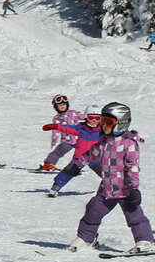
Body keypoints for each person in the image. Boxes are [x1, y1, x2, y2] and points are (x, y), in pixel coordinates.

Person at [66, 102, 155, 253]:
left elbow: (133, 168)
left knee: (135, 217)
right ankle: (87, 239)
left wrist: (134, 189)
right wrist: (77, 165)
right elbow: (91, 154)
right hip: (106, 189)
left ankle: (145, 241)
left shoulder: (129, 144)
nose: (103, 125)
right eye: (102, 121)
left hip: (125, 190)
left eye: (108, 122)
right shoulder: (104, 141)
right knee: (92, 211)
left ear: (120, 124)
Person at [42, 105, 102, 196]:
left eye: (97, 118)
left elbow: (115, 135)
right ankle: (56, 186)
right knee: (68, 171)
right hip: (80, 157)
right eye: (91, 118)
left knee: (105, 172)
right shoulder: (81, 128)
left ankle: (115, 189)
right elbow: (66, 128)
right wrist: (54, 126)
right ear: (86, 117)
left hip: (95, 157)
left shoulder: (102, 131)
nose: (94, 121)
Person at [39, 94, 82, 170]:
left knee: (86, 153)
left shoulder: (73, 113)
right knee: (58, 152)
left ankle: (76, 167)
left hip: (79, 138)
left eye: (64, 104)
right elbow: (55, 130)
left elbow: (84, 117)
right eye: (59, 105)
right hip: (67, 140)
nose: (62, 106)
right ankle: (48, 164)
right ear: (55, 107)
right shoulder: (57, 118)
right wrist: (54, 140)